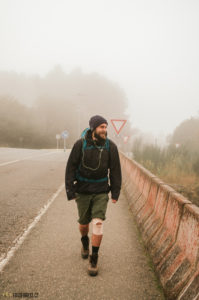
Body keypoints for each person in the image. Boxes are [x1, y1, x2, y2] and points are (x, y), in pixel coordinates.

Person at [65, 115, 122, 276]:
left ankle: (94, 258)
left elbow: (116, 171)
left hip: (101, 191)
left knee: (97, 223)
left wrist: (115, 191)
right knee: (84, 224)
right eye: (101, 127)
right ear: (93, 128)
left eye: (106, 127)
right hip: (82, 190)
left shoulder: (111, 147)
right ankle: (84, 242)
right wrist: (70, 190)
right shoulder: (79, 145)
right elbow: (70, 168)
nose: (105, 130)